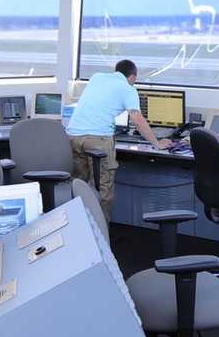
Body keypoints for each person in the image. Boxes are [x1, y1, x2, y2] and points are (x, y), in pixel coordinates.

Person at [65, 59, 167, 220]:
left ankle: (79, 234)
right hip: (97, 141)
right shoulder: (128, 88)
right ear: (133, 77)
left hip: (72, 137)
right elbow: (137, 119)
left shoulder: (97, 77)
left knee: (79, 188)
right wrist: (157, 143)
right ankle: (102, 238)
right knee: (102, 191)